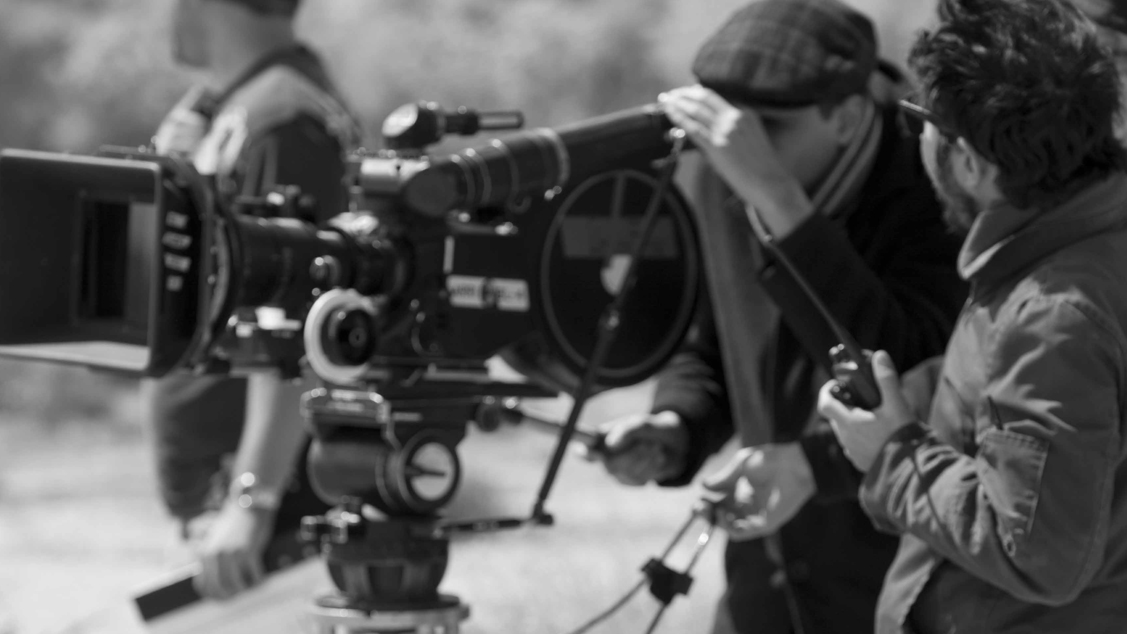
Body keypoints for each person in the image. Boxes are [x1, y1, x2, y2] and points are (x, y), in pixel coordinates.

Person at [587, 1, 968, 632]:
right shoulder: (722, 176)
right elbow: (713, 341)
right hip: (763, 587)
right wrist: (676, 423)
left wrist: (780, 204)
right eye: (730, 129)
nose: (737, 150)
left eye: (767, 129)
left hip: (900, 593)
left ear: (846, 117)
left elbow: (905, 375)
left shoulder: (935, 186)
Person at [816, 0, 1127, 632]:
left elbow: (1040, 554)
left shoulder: (1051, 317)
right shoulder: (1081, 249)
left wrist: (894, 455)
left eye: (923, 123)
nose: (919, 141)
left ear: (969, 163)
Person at [144, 0, 361, 600]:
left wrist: (252, 495)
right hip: (231, 509)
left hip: (269, 520)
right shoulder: (243, 108)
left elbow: (299, 320)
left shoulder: (282, 120)